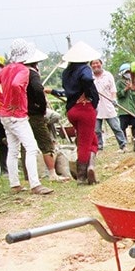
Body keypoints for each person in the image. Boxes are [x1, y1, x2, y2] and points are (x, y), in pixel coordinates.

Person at [0, 39, 53, 195]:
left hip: (5, 115)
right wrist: (15, 100)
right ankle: (35, 184)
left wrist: (3, 98)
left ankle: (15, 184)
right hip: (17, 115)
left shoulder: (6, 69)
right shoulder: (23, 70)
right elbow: (16, 85)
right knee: (32, 148)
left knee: (13, 150)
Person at [24, 48, 69, 182]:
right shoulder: (32, 74)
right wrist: (42, 106)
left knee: (25, 144)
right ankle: (52, 173)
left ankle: (28, 175)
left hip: (23, 113)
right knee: (46, 143)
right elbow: (38, 89)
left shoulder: (20, 73)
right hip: (34, 113)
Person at [59, 41, 101, 185]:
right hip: (84, 109)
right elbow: (87, 79)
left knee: (92, 139)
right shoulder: (84, 69)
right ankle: (82, 176)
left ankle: (91, 166)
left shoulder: (66, 72)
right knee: (84, 143)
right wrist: (89, 94)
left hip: (71, 110)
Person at [90, 58, 128, 152]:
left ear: (101, 64)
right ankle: (99, 147)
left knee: (116, 127)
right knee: (96, 130)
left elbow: (113, 90)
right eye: (93, 64)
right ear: (91, 66)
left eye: (97, 63)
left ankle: (123, 145)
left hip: (108, 104)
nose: (95, 65)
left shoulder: (108, 75)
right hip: (95, 106)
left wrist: (114, 99)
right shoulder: (90, 77)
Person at [116, 63, 135, 151]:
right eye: (127, 72)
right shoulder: (119, 83)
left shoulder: (133, 82)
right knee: (122, 128)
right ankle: (123, 146)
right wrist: (126, 89)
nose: (128, 73)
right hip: (123, 110)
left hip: (132, 109)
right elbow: (118, 94)